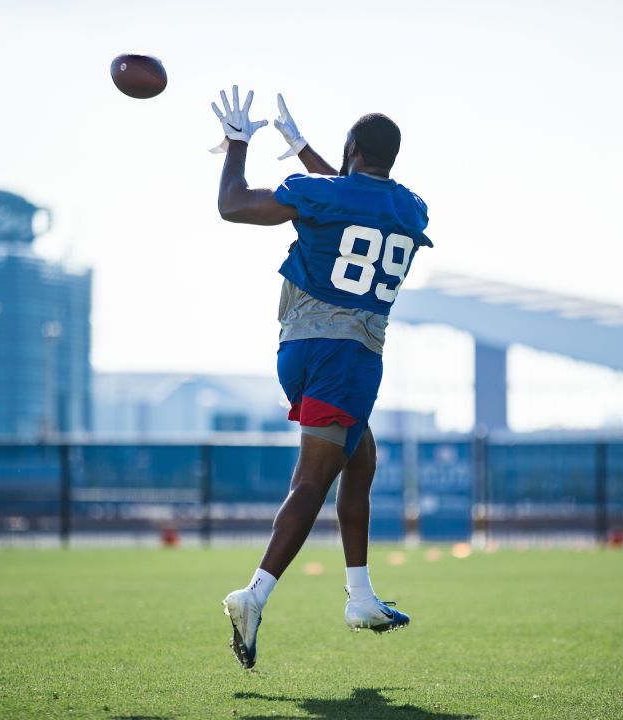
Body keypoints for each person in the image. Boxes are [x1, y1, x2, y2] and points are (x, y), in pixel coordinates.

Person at [208, 86, 432, 669]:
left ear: (350, 147)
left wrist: (238, 144)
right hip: (349, 356)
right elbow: (359, 199)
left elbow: (233, 203)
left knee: (360, 461)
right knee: (312, 480)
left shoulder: (324, 193)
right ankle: (253, 595)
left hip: (299, 348)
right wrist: (306, 150)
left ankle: (361, 596)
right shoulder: (412, 207)